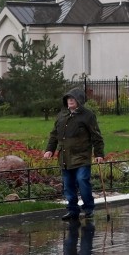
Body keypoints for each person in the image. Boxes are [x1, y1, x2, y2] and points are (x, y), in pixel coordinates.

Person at [44, 88, 106, 220]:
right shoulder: (62, 115)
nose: (70, 100)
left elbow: (96, 135)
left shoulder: (88, 115)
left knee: (82, 180)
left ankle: (88, 208)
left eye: (73, 98)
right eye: (68, 98)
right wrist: (50, 149)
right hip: (65, 157)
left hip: (82, 156)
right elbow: (54, 134)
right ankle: (73, 210)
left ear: (80, 101)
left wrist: (99, 153)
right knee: (68, 185)